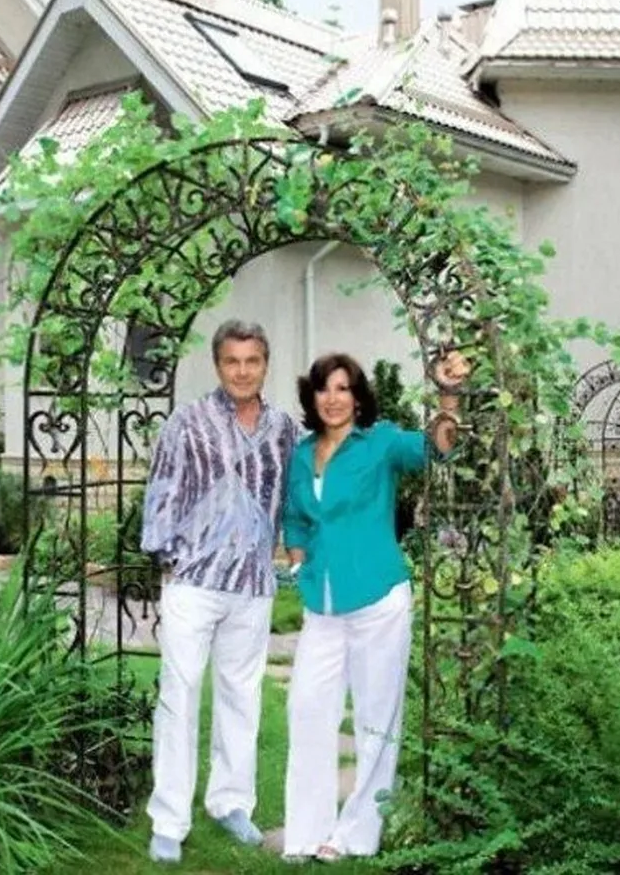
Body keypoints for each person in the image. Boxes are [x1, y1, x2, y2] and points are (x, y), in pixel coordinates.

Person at [280, 350, 468, 862]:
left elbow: (438, 448)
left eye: (343, 388)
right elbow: (295, 517)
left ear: (358, 397)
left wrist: (448, 394)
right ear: (312, 397)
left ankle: (355, 836)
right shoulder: (302, 454)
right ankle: (305, 833)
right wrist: (297, 560)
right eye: (324, 388)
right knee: (306, 710)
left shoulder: (380, 442)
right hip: (322, 605)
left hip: (378, 599)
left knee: (375, 720)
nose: (333, 398)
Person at [139, 319, 300, 865]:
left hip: (252, 585)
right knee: (178, 697)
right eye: (232, 361)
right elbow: (162, 490)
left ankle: (230, 802)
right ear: (217, 364)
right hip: (194, 583)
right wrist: (169, 558)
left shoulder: (283, 429)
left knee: (241, 695)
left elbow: (293, 495)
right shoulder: (187, 421)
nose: (242, 371)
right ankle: (169, 821)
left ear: (265, 364)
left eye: (252, 361)